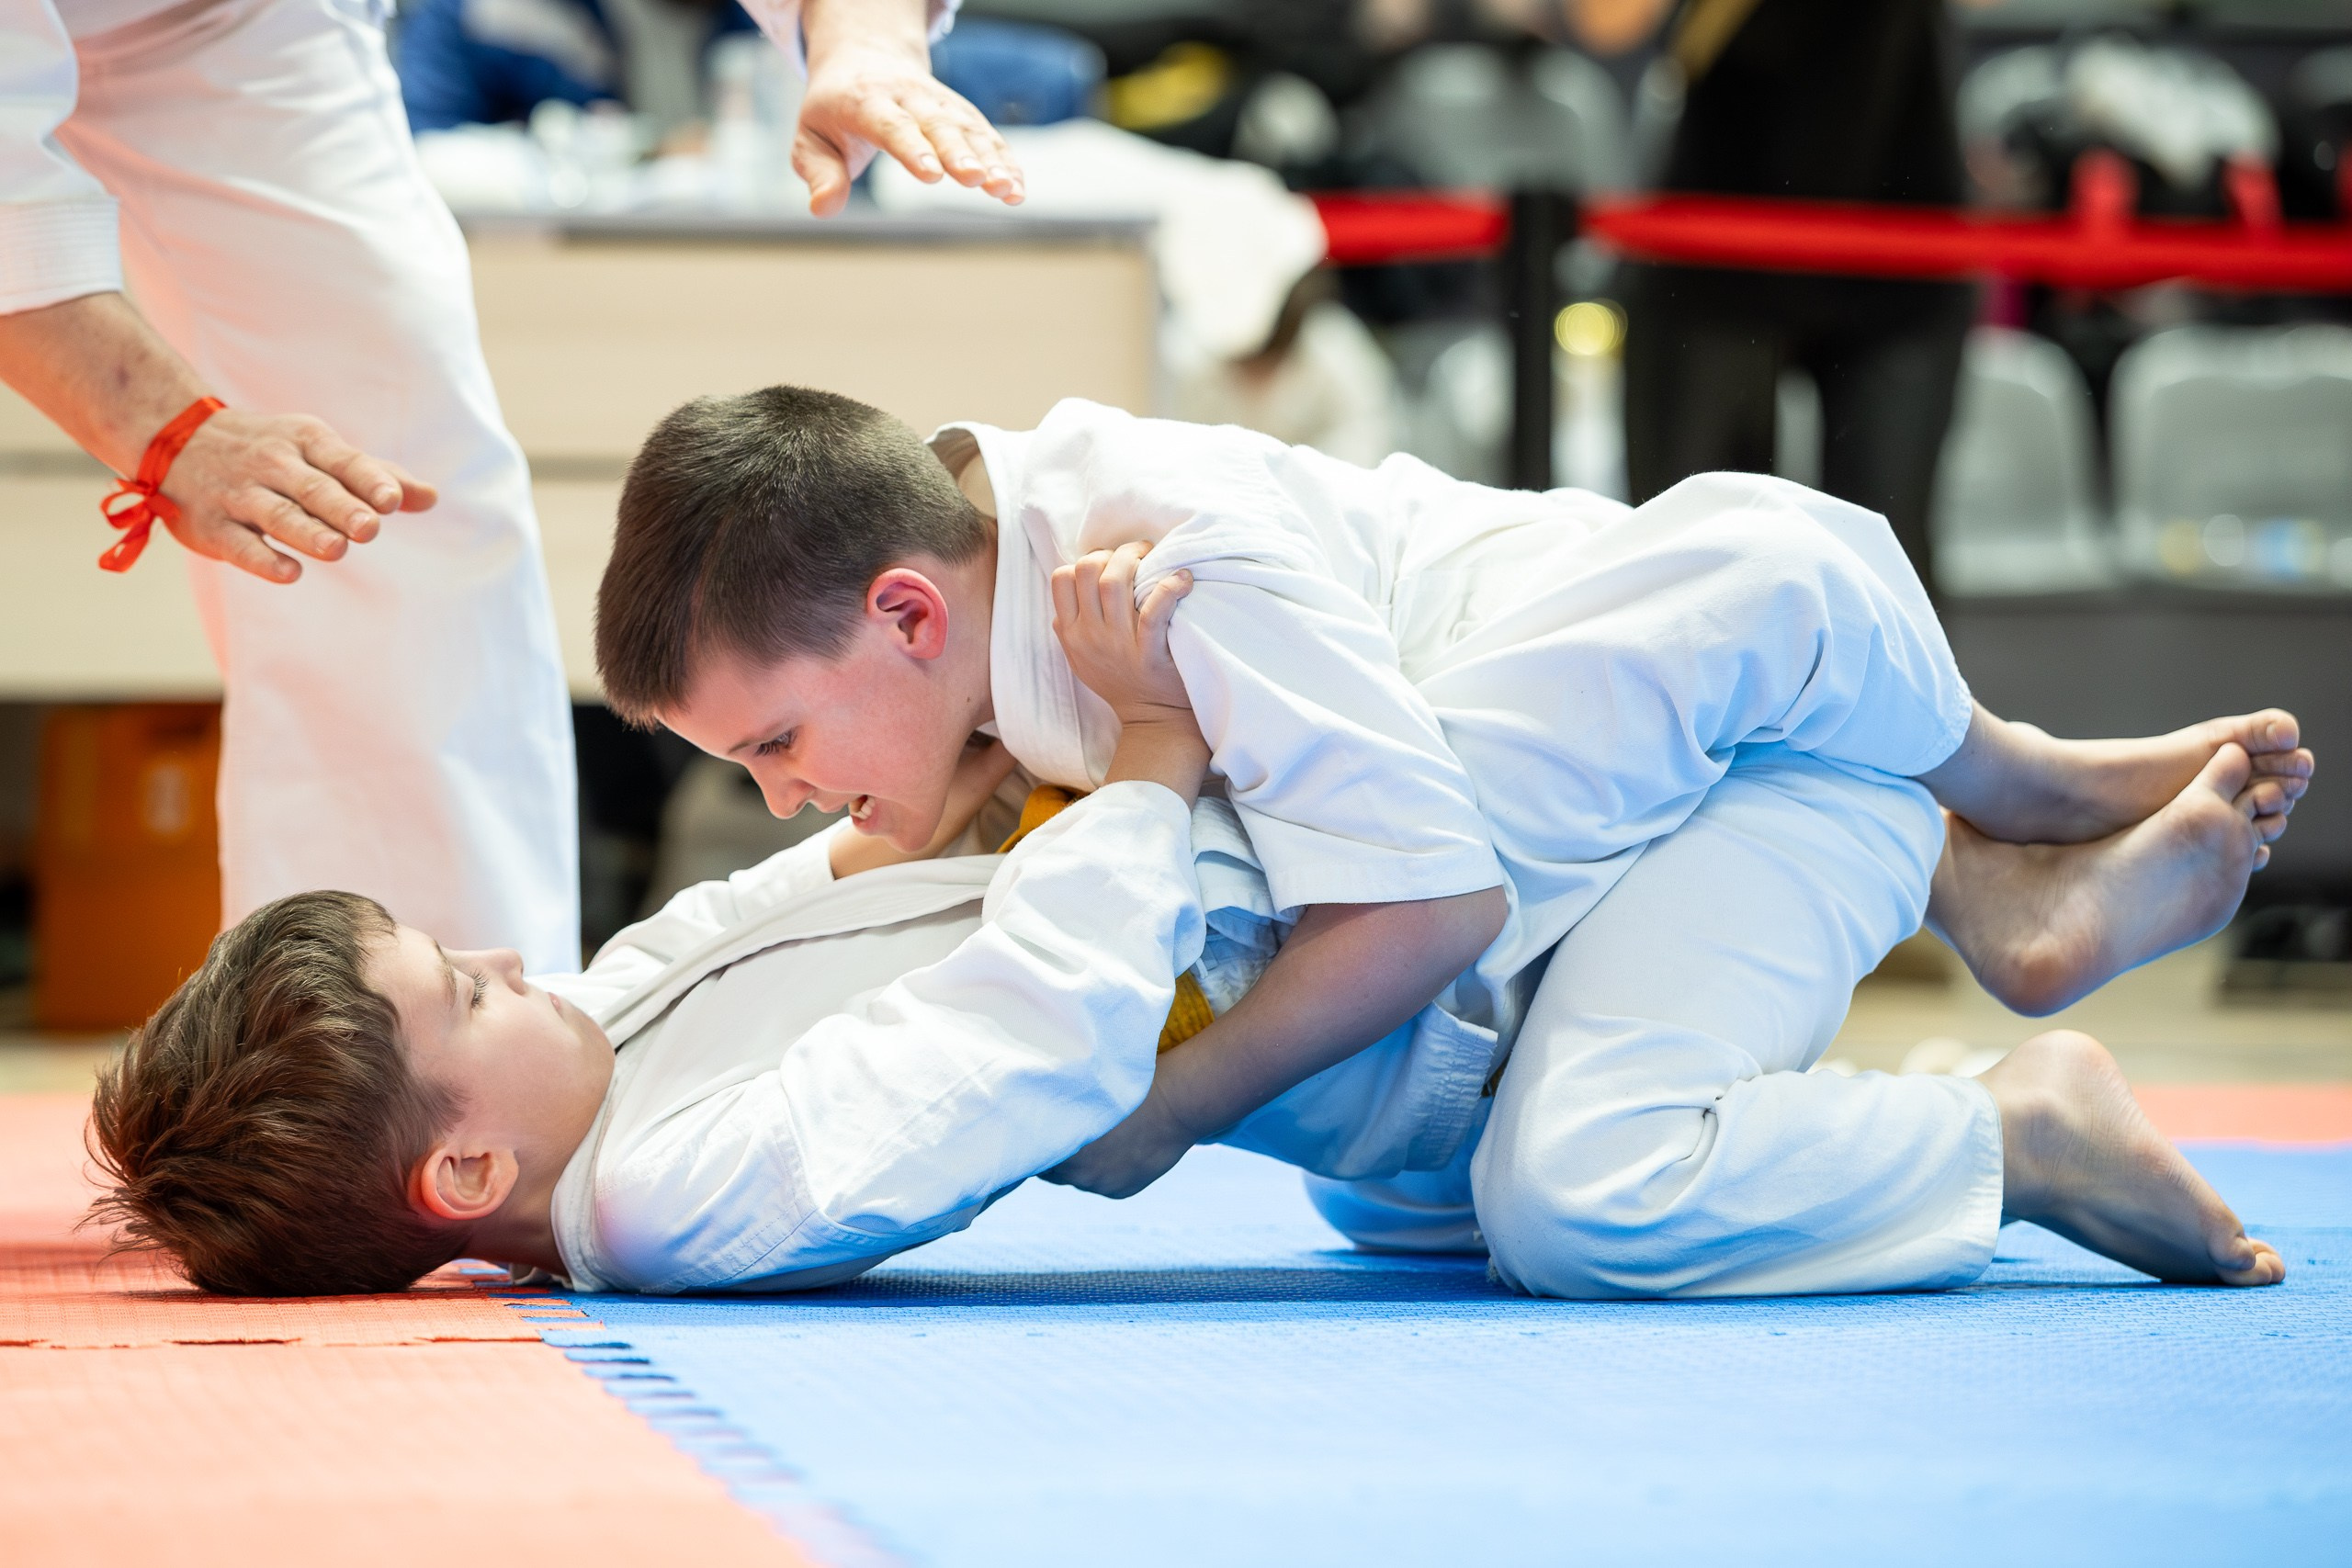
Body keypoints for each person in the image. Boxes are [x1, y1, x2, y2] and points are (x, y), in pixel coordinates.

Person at [87, 553, 2286, 1298]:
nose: (503, 954)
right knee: (1560, 1198)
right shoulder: (669, 1191)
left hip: (1433, 944)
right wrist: (1135, 748)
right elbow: (1039, 1027)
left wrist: (945, 757)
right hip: (1423, 962)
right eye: (456, 987)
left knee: (1536, 1172)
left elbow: (806, 882)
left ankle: (1970, 828)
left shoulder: (611, 1030)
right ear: (464, 1166)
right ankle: (2007, 1099)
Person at [0, 0, 1023, 972]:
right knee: (349, 510)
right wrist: (166, 432)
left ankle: (457, 1031)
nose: (784, 797)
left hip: (248, 27)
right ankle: (366, 1048)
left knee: (410, 508)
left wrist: (862, 39)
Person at [1570, 0, 1979, 589]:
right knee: (1692, 559)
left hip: (1900, 230)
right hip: (1717, 237)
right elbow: (1605, 24)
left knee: (1886, 568)